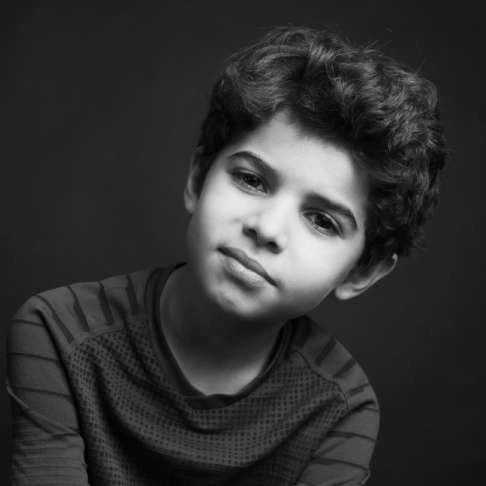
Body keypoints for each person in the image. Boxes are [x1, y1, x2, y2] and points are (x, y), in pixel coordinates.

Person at [6, 26, 448, 485]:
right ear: (198, 179)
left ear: (361, 271)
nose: (266, 228)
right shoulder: (60, 331)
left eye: (322, 221)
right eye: (251, 180)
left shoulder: (341, 406)